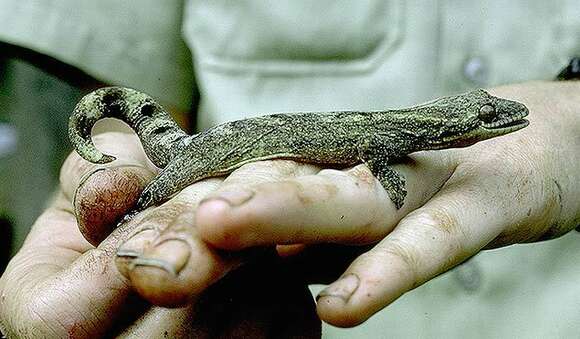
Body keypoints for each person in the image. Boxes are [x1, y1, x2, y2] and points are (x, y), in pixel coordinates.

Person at [1, 1, 580, 337]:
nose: (500, 119)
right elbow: (135, 72)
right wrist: (115, 161)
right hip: (223, 195)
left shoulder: (422, 130)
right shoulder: (411, 133)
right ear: (459, 124)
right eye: (487, 115)